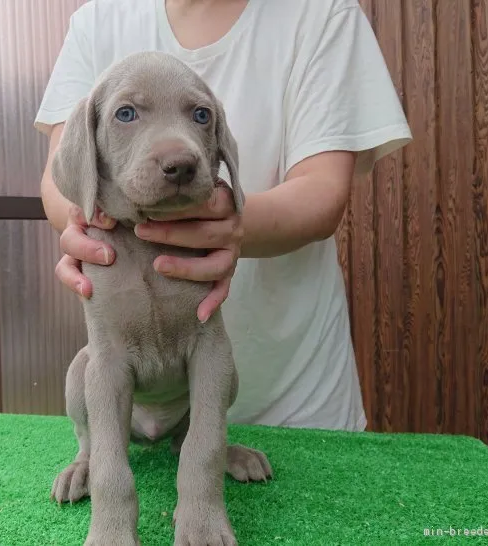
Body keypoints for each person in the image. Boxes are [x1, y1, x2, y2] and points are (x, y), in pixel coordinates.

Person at [35, 0, 411, 432]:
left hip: (287, 397)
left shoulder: (322, 13)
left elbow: (322, 192)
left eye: (199, 116)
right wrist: (86, 224)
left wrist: (229, 227)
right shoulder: (98, 20)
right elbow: (60, 178)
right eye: (127, 113)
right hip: (131, 401)